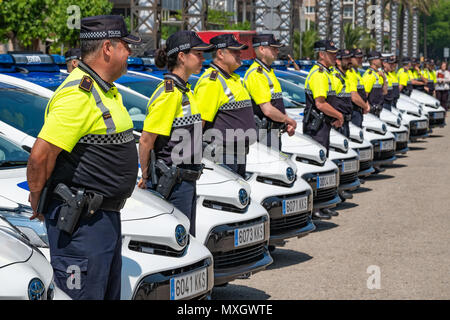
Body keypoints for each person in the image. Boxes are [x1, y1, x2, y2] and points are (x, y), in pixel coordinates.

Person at [26, 15, 141, 300]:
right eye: (126, 46)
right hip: (82, 225)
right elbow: (40, 156)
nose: (130, 53)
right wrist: (38, 199)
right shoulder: (79, 94)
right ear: (107, 48)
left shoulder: (105, 90)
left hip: (103, 219)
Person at [137, 31, 214, 236]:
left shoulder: (185, 91)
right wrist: (145, 176)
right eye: (198, 54)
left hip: (186, 180)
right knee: (177, 242)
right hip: (172, 182)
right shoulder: (169, 93)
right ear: (181, 56)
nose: (202, 59)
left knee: (188, 239)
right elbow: (146, 140)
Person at [194, 34, 256, 177]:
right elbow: (199, 124)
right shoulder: (212, 82)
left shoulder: (233, 78)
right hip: (222, 155)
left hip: (237, 153)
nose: (240, 54)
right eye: (234, 51)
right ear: (220, 54)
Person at [303, 40, 343, 220]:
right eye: (331, 53)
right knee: (317, 168)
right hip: (316, 126)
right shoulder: (318, 74)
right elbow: (320, 103)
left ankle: (323, 204)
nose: (335, 56)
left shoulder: (327, 73)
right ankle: (315, 207)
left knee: (324, 165)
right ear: (321, 54)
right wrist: (339, 115)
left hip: (323, 126)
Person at [243, 34, 297, 151]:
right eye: (273, 48)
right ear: (262, 49)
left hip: (272, 132)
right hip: (263, 134)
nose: (277, 51)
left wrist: (285, 123)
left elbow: (276, 104)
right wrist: (288, 120)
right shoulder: (256, 74)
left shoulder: (268, 72)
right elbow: (267, 109)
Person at [329, 49, 354, 138]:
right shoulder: (335, 78)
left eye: (350, 59)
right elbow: (329, 101)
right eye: (346, 59)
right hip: (337, 123)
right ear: (338, 61)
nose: (350, 61)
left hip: (344, 121)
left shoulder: (345, 77)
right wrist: (335, 117)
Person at [347, 48, 370, 127]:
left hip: (359, 110)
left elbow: (362, 92)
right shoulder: (350, 72)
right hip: (353, 111)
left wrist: (365, 102)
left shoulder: (357, 73)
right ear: (350, 58)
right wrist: (365, 106)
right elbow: (354, 96)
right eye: (357, 58)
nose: (360, 59)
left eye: (361, 57)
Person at [362, 51, 388, 117]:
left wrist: (384, 78)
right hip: (370, 112)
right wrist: (367, 107)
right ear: (374, 61)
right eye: (380, 60)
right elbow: (364, 95)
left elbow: (385, 92)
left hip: (378, 110)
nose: (382, 61)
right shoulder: (369, 75)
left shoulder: (379, 74)